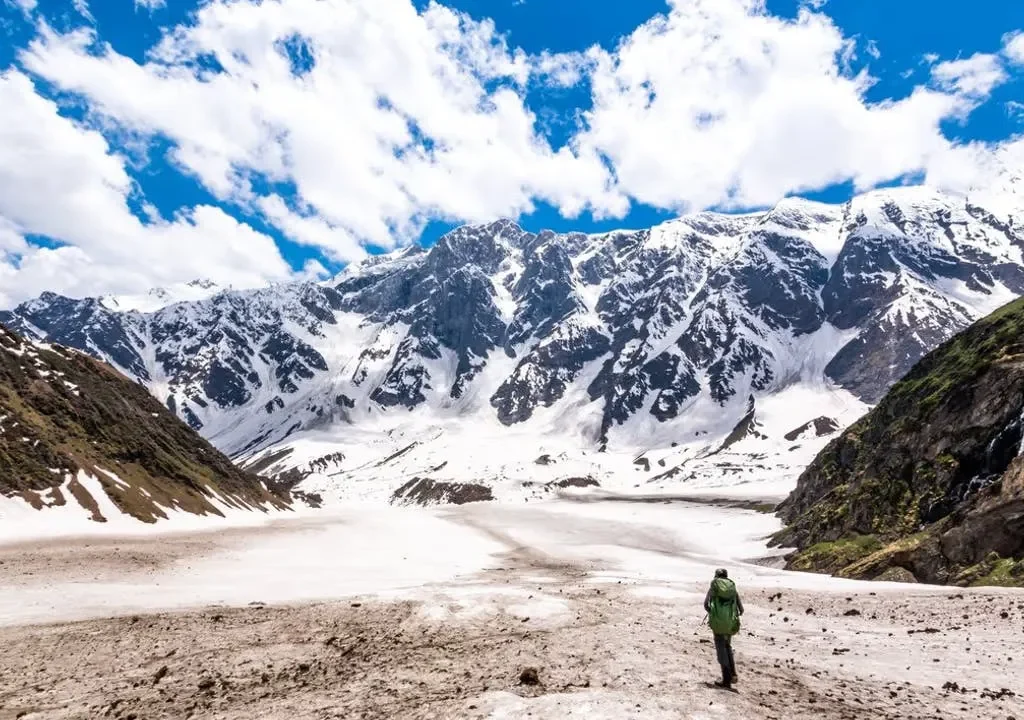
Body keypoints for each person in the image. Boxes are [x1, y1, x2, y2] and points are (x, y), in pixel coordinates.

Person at [704, 568, 743, 689]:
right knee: (727, 647)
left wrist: (714, 613)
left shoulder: (714, 587)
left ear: (716, 576)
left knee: (721, 650)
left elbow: (706, 604)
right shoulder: (732, 589)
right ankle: (733, 674)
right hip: (730, 623)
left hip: (718, 623)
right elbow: (741, 610)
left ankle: (726, 679)